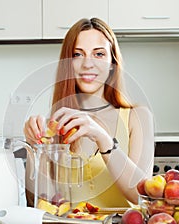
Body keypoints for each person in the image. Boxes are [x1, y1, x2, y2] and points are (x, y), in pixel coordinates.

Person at [24, 17, 154, 207]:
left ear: (112, 63)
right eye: (77, 54)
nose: (87, 64)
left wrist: (103, 139)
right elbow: (42, 202)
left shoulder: (138, 116)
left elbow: (142, 197)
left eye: (99, 54)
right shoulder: (55, 124)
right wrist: (35, 149)